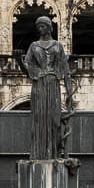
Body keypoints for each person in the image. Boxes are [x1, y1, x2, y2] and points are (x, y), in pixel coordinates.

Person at [20, 16, 75, 160]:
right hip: (39, 85)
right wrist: (18, 62)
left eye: (43, 26)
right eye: (38, 26)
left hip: (53, 85)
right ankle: (37, 154)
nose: (40, 29)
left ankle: (55, 154)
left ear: (49, 27)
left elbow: (66, 70)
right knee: (38, 119)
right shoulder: (34, 46)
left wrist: (70, 96)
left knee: (54, 120)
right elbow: (27, 68)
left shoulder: (58, 46)